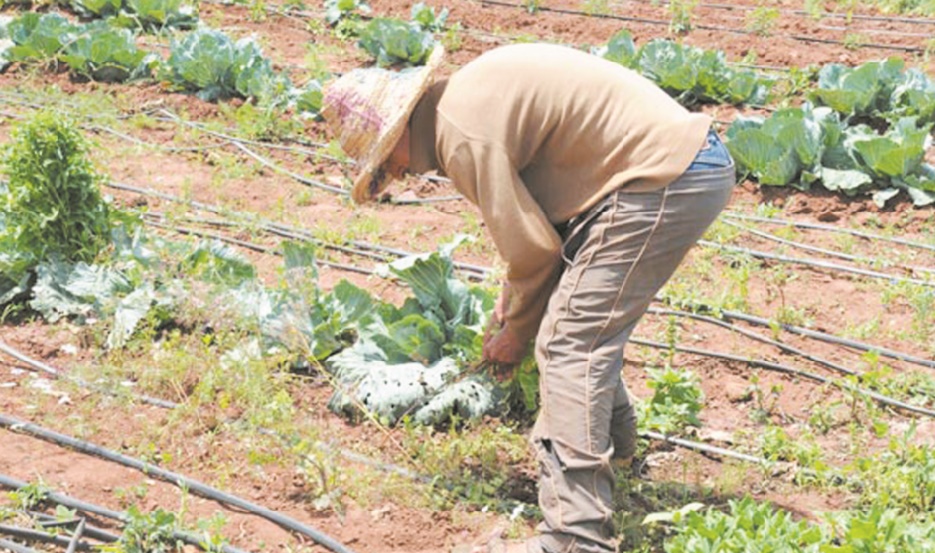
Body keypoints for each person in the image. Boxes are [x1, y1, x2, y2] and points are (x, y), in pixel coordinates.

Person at [322, 43, 735, 553]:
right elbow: (539, 228)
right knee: (576, 322)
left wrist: (515, 333)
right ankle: (621, 452)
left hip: (660, 179)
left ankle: (574, 536)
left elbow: (535, 251)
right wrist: (512, 304)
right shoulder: (463, 104)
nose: (399, 174)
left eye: (388, 160)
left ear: (401, 129)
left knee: (570, 343)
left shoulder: (460, 134)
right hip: (676, 166)